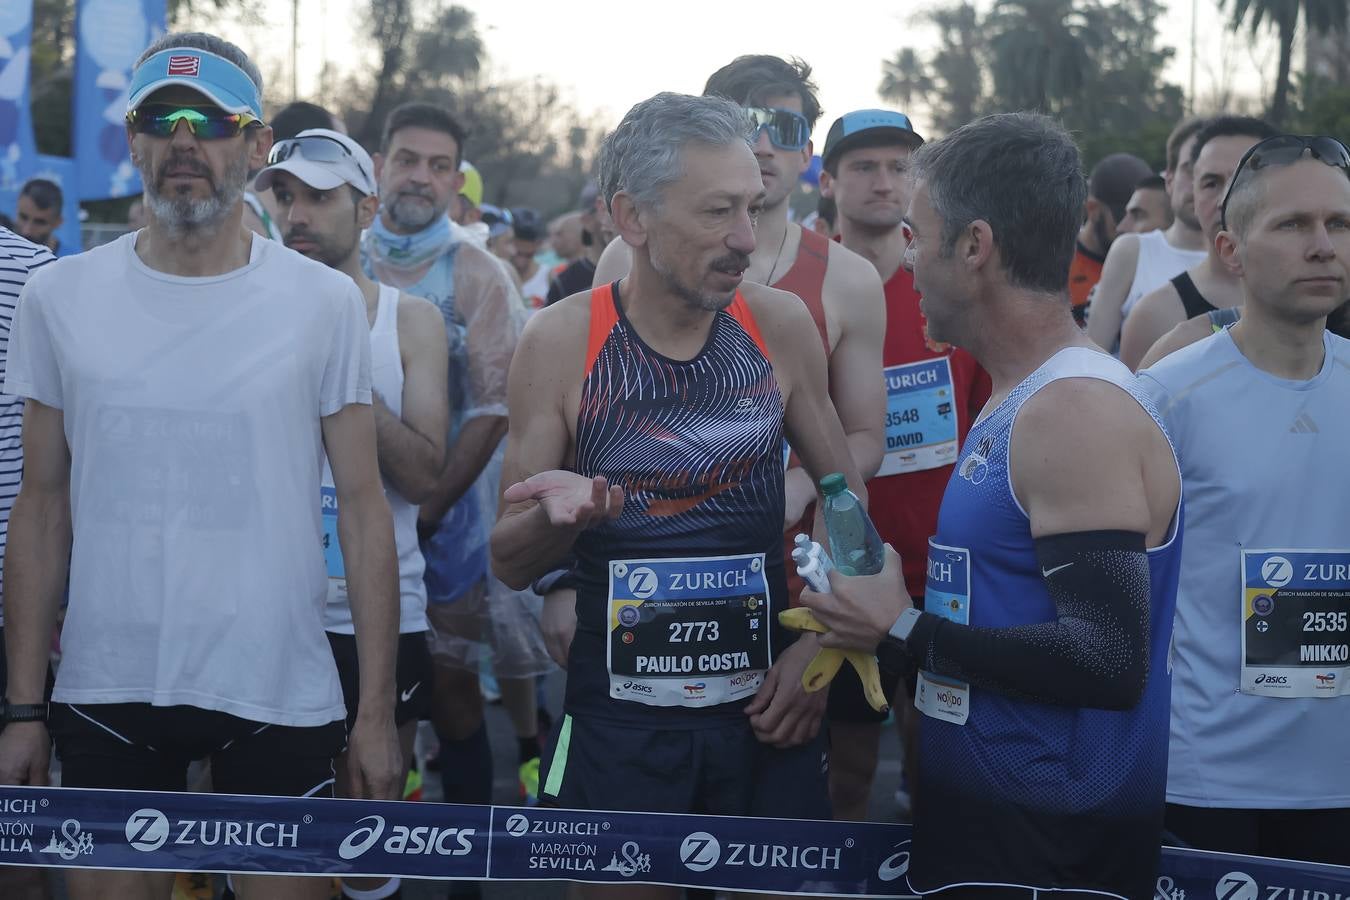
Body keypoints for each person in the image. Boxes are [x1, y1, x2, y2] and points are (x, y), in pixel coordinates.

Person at [0, 32, 402, 900]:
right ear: (132, 141)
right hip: (108, 684)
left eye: (212, 121)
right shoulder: (58, 297)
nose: (184, 140)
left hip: (277, 685)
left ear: (256, 146)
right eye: (160, 119)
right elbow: (41, 505)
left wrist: (375, 713)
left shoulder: (323, 302)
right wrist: (24, 707)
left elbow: (365, 509)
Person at [798, 112, 1183, 899]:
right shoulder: (1023, 392)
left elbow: (1108, 658)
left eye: (918, 234)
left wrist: (900, 628)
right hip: (990, 824)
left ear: (974, 246)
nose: (907, 257)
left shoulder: (1073, 410)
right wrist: (889, 618)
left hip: (1048, 844)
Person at [492, 91, 862, 900]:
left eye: (753, 209)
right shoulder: (562, 340)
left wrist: (820, 650)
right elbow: (508, 560)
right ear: (632, 217)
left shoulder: (779, 325)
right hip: (621, 727)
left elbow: (845, 500)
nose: (746, 239)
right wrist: (559, 525)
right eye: (718, 212)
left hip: (767, 710)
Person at [593, 55, 886, 600]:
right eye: (749, 124)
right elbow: (585, 420)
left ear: (807, 153)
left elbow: (865, 435)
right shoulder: (626, 257)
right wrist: (563, 584)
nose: (765, 145)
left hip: (796, 567)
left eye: (786, 128)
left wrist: (799, 485)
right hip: (643, 573)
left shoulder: (849, 279)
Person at [1137, 134, 1350, 866]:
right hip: (1208, 776)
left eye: (1340, 224)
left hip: (1339, 776)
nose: (1323, 246)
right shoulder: (1169, 394)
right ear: (1230, 251)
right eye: (1293, 225)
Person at [257, 127, 450, 900]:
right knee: (272, 849)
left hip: (377, 614)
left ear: (366, 208)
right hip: (268, 614)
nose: (297, 214)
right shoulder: (248, 316)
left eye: (318, 196)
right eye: (285, 196)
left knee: (367, 849)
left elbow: (426, 475)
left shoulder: (410, 321)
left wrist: (343, 375)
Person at [361, 102, 549, 847]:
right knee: (343, 694)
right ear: (379, 166)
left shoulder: (477, 271)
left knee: (451, 694)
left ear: (455, 181)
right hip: (333, 517)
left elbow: (497, 407)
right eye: (408, 160)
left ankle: (466, 867)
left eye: (439, 167)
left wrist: (429, 510)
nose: (421, 178)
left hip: (449, 525)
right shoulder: (340, 257)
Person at [816, 107, 991, 821]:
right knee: (847, 772)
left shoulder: (952, 290)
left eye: (900, 166)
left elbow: (989, 425)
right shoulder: (806, 291)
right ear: (828, 182)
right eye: (863, 166)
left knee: (939, 765)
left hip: (946, 573)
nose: (884, 182)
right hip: (842, 575)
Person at [1121, 116, 1277, 369]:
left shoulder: (1324, 299)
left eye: (1244, 181)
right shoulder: (1155, 317)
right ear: (1194, 193)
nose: (1224, 199)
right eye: (1211, 183)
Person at [0, 228, 54, 900]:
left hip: (8, 614)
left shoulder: (35, 275)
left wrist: (25, 704)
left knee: (15, 852)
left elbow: (50, 480)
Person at [1086, 118, 1210, 354]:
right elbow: (1093, 357)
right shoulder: (1131, 252)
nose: (1202, 182)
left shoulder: (1251, 260)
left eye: (1218, 175)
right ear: (1170, 178)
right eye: (1191, 169)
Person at [1067, 153, 1154, 324]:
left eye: (1140, 217)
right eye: (1122, 217)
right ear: (1092, 209)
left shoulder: (1152, 259)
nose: (1129, 228)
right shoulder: (1058, 267)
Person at [546, 182, 614, 306]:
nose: (621, 218)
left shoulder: (639, 272)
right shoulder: (565, 284)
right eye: (608, 211)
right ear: (587, 221)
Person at [510, 207, 549, 308]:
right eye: (517, 254)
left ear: (538, 244)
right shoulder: (495, 273)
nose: (521, 261)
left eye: (528, 255)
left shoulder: (548, 277)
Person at [13, 180, 63, 255]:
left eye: (39, 222)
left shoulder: (72, 260)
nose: (26, 231)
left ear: (57, 222)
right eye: (23, 217)